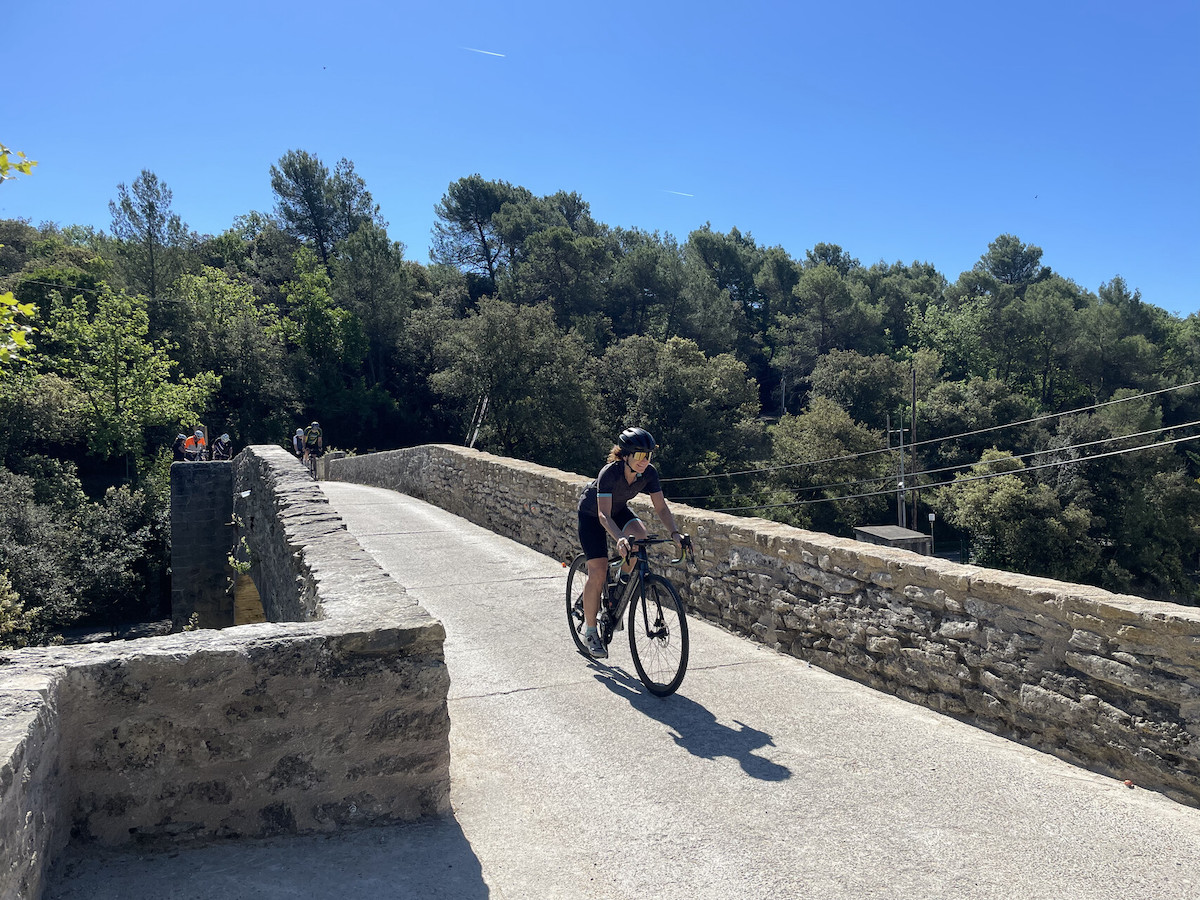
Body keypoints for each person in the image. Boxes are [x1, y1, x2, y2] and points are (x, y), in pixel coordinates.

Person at [575, 427, 690, 659]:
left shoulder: (649, 473)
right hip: (593, 515)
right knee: (598, 570)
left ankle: (620, 588)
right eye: (639, 456)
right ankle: (590, 632)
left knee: (641, 537)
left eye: (648, 456)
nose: (644, 461)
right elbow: (603, 516)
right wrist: (619, 539)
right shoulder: (610, 473)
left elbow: (661, 507)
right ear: (625, 455)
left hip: (618, 510)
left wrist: (676, 533)